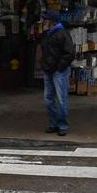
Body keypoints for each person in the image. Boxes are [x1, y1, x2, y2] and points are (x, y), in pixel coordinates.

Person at [39, 8, 75, 136]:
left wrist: (59, 67)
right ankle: (54, 123)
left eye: (45, 19)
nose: (43, 21)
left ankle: (62, 125)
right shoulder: (49, 33)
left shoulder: (61, 34)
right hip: (50, 69)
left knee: (60, 99)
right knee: (49, 99)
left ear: (51, 21)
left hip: (58, 71)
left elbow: (70, 53)